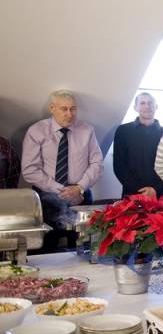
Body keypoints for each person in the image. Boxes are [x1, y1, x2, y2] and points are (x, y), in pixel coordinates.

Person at [21, 90, 103, 252]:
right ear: (52, 108)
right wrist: (62, 191)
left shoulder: (87, 130)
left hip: (81, 196)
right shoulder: (37, 131)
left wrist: (79, 188)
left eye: (73, 109)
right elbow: (30, 169)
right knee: (45, 249)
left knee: (82, 249)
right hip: (46, 197)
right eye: (64, 109)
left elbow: (97, 163)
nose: (69, 114)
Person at [113, 92, 163, 198]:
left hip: (160, 195)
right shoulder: (123, 131)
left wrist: (155, 190)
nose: (147, 106)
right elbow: (119, 166)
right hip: (132, 194)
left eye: (150, 103)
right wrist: (140, 191)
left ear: (156, 107)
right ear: (135, 108)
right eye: (142, 103)